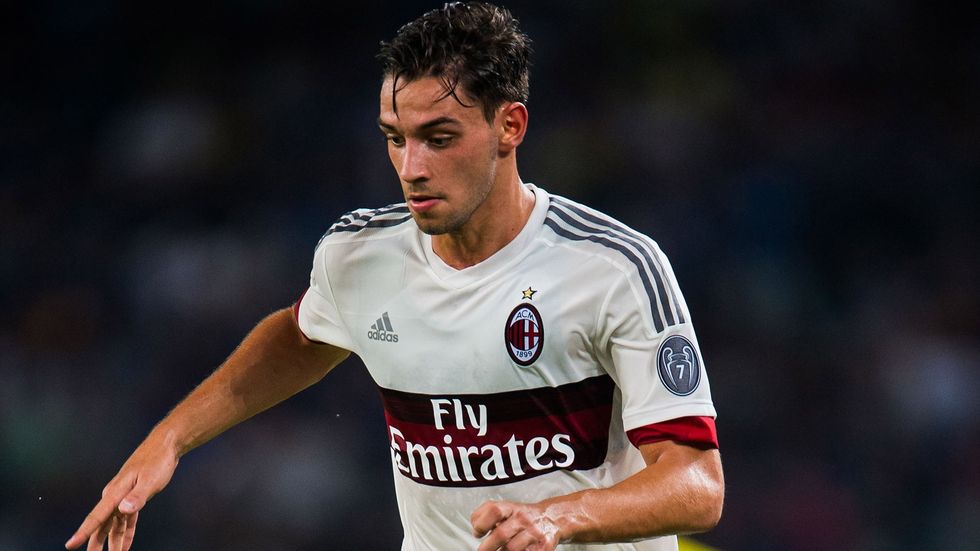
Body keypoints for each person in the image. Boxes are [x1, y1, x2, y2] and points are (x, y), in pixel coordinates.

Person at [66, 2, 724, 550]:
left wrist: (557, 516)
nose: (410, 166)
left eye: (438, 138)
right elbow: (299, 338)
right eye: (394, 136)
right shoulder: (360, 254)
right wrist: (169, 440)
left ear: (509, 127)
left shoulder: (613, 267)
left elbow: (697, 483)